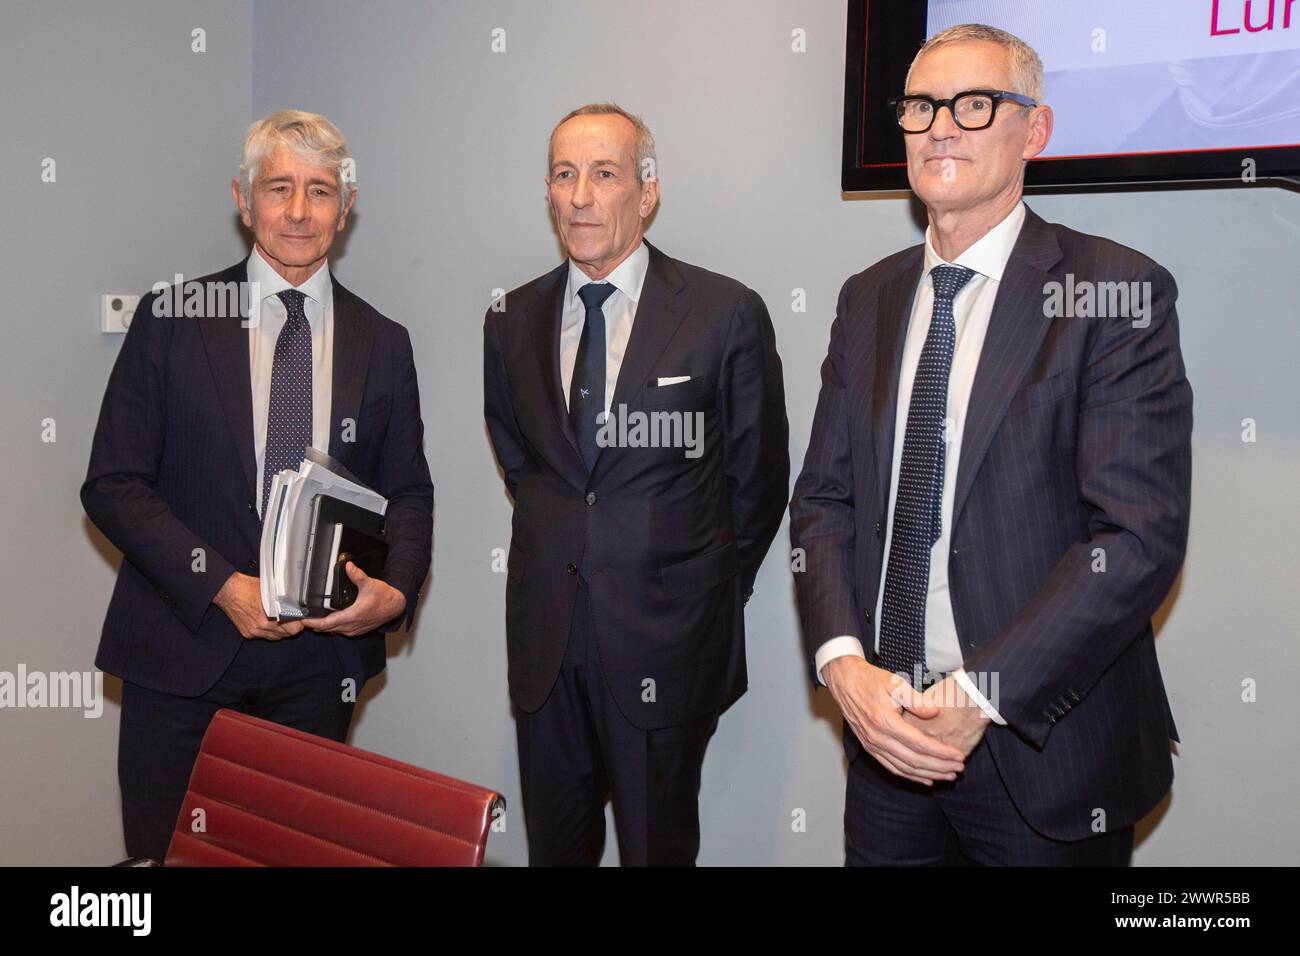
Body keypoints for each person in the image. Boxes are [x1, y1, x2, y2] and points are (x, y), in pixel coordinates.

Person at [790, 24, 1192, 865]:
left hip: (1045, 754)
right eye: (920, 106)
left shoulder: (1112, 290)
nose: (940, 126)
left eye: (973, 105)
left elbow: (1135, 536)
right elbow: (825, 499)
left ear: (1034, 131)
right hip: (887, 747)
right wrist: (840, 662)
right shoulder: (867, 299)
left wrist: (983, 692)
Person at [82, 109, 434, 860]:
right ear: (244, 202)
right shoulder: (172, 316)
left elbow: (409, 491)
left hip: (320, 669)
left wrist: (396, 591)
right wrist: (222, 587)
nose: (299, 212)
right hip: (182, 652)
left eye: (319, 190)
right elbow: (113, 482)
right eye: (279, 189)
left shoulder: (385, 342)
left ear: (346, 207)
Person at [483, 103, 788, 865]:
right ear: (548, 192)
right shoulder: (510, 318)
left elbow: (758, 480)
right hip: (547, 643)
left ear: (646, 193)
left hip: (667, 641)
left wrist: (702, 591)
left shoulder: (724, 313)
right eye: (564, 175)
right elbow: (527, 465)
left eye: (605, 174)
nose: (581, 195)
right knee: (557, 850)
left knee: (657, 848)